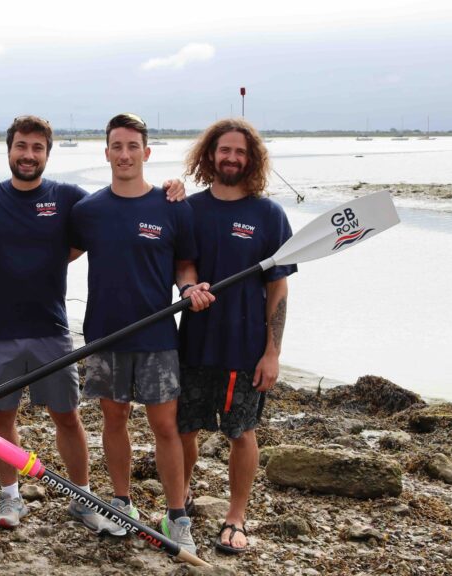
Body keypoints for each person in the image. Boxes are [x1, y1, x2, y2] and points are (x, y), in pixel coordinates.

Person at [0, 115, 186, 532]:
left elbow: (104, 228)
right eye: (21, 147)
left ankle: (82, 496)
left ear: (47, 152)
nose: (28, 155)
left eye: (37, 148)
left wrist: (173, 189)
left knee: (67, 415)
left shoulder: (70, 200)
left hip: (52, 327)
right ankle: (10, 499)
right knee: (1, 418)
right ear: (8, 150)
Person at [68, 113, 213, 554]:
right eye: (117, 146)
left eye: (133, 146)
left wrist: (189, 289)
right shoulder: (88, 210)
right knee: (114, 420)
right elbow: (55, 254)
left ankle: (176, 516)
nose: (125, 154)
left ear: (146, 152)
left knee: (165, 426)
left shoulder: (172, 206)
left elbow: (184, 267)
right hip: (105, 336)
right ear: (107, 152)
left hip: (157, 337)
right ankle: (122, 503)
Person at [177, 118, 295, 554]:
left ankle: (236, 516)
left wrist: (273, 352)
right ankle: (182, 496)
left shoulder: (268, 215)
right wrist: (188, 287)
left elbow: (278, 287)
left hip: (245, 349)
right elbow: (183, 263)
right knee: (183, 427)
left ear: (251, 159)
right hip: (193, 341)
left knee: (241, 432)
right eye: (224, 150)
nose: (231, 158)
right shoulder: (189, 209)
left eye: (240, 152)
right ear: (209, 155)